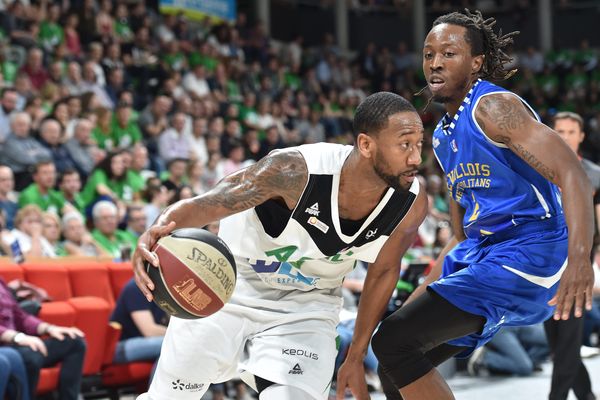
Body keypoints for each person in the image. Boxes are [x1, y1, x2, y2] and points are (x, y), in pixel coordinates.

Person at [132, 92, 427, 400]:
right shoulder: (295, 171)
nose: (416, 158)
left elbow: (383, 272)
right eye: (405, 144)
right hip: (230, 285)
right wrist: (156, 231)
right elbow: (209, 203)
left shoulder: (411, 203)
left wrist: (356, 354)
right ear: (366, 145)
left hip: (309, 304)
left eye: (419, 144)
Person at [366, 10, 595, 400]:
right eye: (428, 54)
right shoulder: (441, 136)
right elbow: (461, 235)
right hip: (485, 254)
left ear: (476, 63)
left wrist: (579, 258)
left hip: (533, 250)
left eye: (449, 53)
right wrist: (430, 284)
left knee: (394, 342)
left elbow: (573, 173)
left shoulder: (493, 108)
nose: (435, 62)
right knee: (393, 364)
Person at [544, 111, 599, 400]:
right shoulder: (539, 169)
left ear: (581, 136)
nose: (564, 137)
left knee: (566, 341)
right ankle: (587, 396)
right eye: (559, 132)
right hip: (544, 263)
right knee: (558, 343)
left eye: (570, 132)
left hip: (577, 266)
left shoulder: (594, 175)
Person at [0, 278, 86, 400]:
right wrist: (18, 337)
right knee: (32, 355)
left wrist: (49, 328)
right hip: (6, 347)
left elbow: (20, 316)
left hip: (18, 343)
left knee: (74, 342)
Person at [110, 278, 168, 379]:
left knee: (174, 347)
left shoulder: (163, 290)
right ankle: (157, 394)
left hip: (148, 344)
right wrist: (182, 336)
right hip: (121, 346)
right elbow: (149, 331)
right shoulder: (136, 288)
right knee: (171, 344)